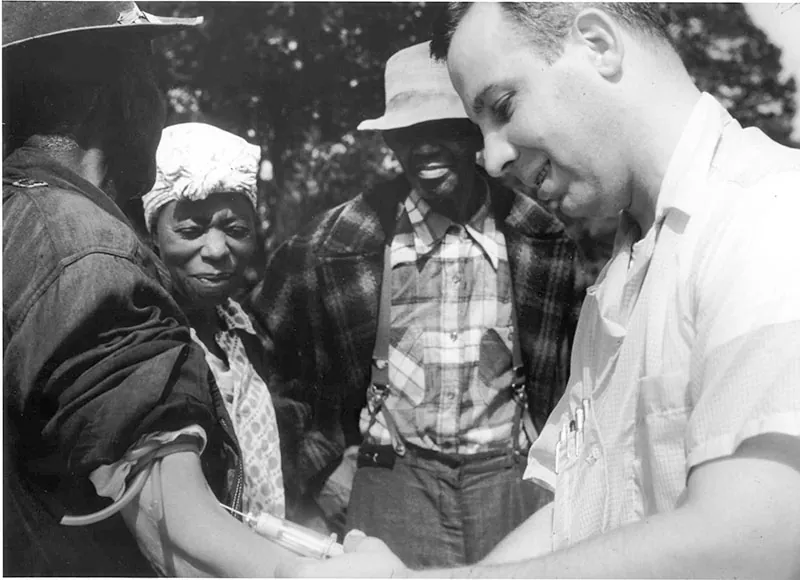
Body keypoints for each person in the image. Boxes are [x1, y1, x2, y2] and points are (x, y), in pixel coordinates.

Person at [278, 3, 800, 579]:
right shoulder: (623, 268)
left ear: (598, 44)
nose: (493, 158)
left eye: (503, 107)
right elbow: (571, 515)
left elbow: (764, 538)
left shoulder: (769, 216)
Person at [253, 40, 584, 569]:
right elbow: (257, 357)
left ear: (475, 134)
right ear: (388, 140)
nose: (424, 147)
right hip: (391, 481)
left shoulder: (541, 237)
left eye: (442, 129)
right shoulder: (336, 242)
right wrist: (318, 470)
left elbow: (583, 377)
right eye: (408, 133)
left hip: (511, 482)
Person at [3, 3, 298, 576]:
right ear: (114, 96)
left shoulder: (16, 215)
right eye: (154, 81)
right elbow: (178, 529)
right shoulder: (85, 248)